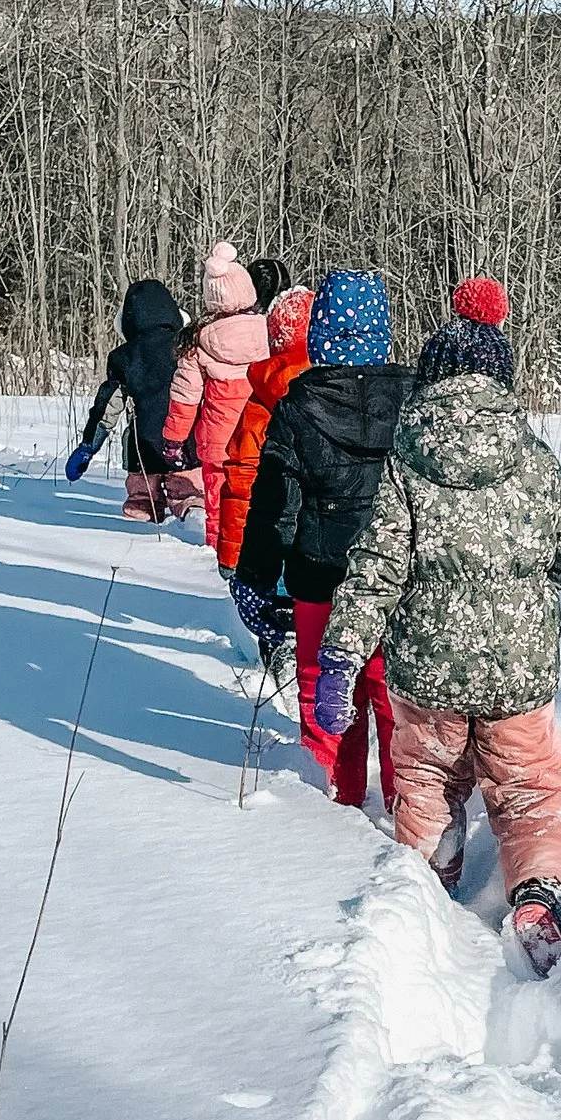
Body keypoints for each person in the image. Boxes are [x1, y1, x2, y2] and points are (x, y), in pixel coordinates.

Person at [314, 278, 561, 976]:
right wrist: (535, 579)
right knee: (531, 784)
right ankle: (539, 893)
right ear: (502, 378)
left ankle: (432, 873)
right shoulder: (532, 460)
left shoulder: (406, 461)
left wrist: (343, 655)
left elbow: (375, 567)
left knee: (427, 777)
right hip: (518, 672)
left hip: (427, 674)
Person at [232, 268, 408, 809]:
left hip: (319, 577)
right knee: (391, 695)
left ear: (323, 336)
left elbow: (273, 510)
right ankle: (410, 811)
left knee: (322, 685)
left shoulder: (297, 407)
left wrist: (255, 579)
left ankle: (334, 798)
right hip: (397, 579)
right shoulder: (415, 401)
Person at [160, 241, 272, 525]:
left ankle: (214, 560)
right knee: (260, 507)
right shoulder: (268, 333)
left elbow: (185, 397)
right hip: (262, 436)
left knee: (220, 510)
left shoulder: (198, 342)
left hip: (217, 443)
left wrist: (174, 440)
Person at [67, 277, 192, 518]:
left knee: (142, 476)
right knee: (186, 482)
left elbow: (108, 407)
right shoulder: (187, 347)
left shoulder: (123, 357)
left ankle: (142, 501)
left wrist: (89, 446)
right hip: (187, 440)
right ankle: (189, 502)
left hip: (143, 444)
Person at [216, 283, 313, 577]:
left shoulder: (260, 403)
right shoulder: (340, 393)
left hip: (270, 543)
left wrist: (230, 554)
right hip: (328, 551)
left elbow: (241, 480)